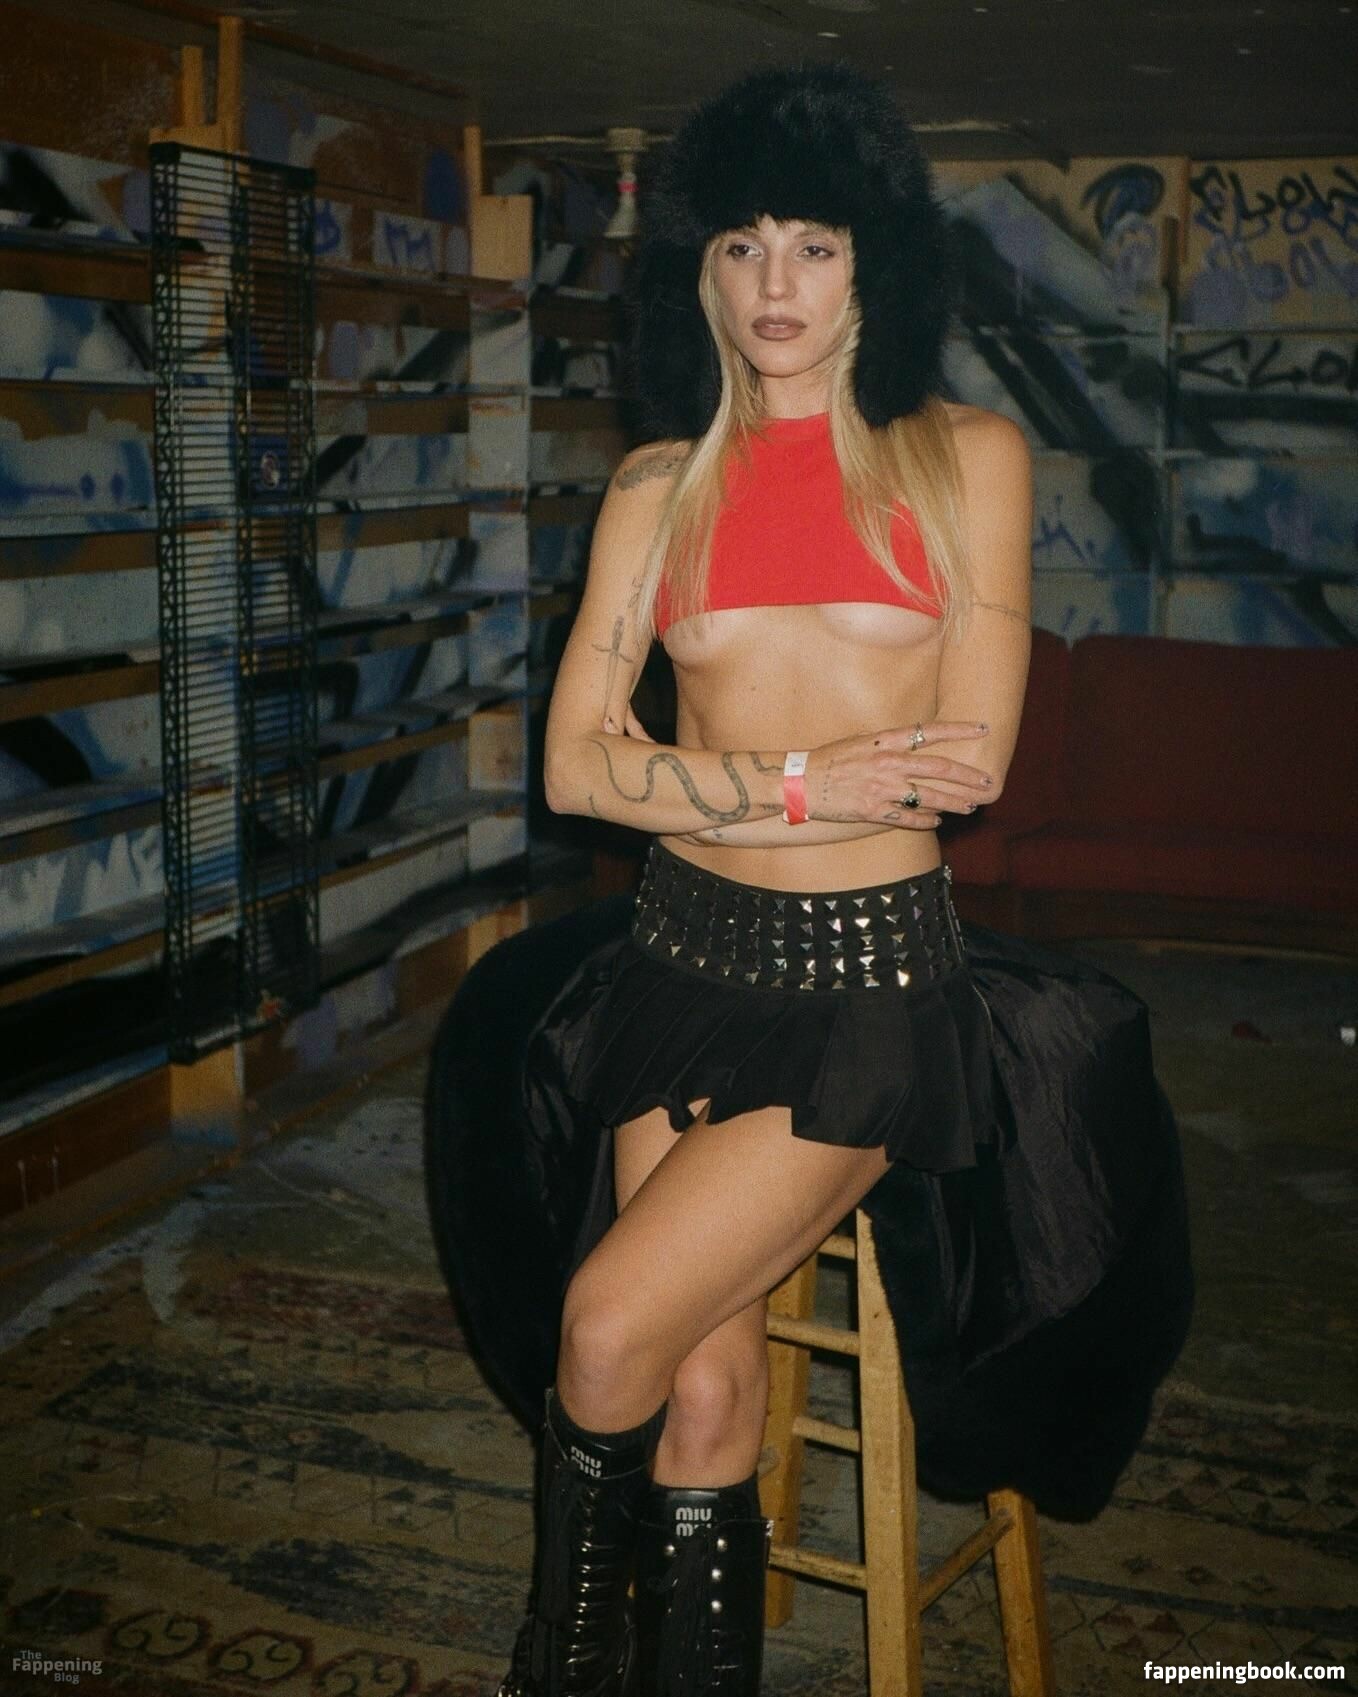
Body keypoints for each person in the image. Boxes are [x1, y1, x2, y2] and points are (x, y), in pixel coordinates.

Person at [497, 61, 1036, 1697]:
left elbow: (964, 766)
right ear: (699, 276)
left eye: (812, 244)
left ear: (876, 264)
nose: (774, 283)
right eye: (739, 247)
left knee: (604, 1329)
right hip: (678, 961)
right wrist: (804, 783)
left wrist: (688, 788)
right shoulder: (654, 488)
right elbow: (570, 772)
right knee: (702, 1390)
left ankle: (552, 1672)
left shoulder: (964, 460)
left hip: (865, 984)